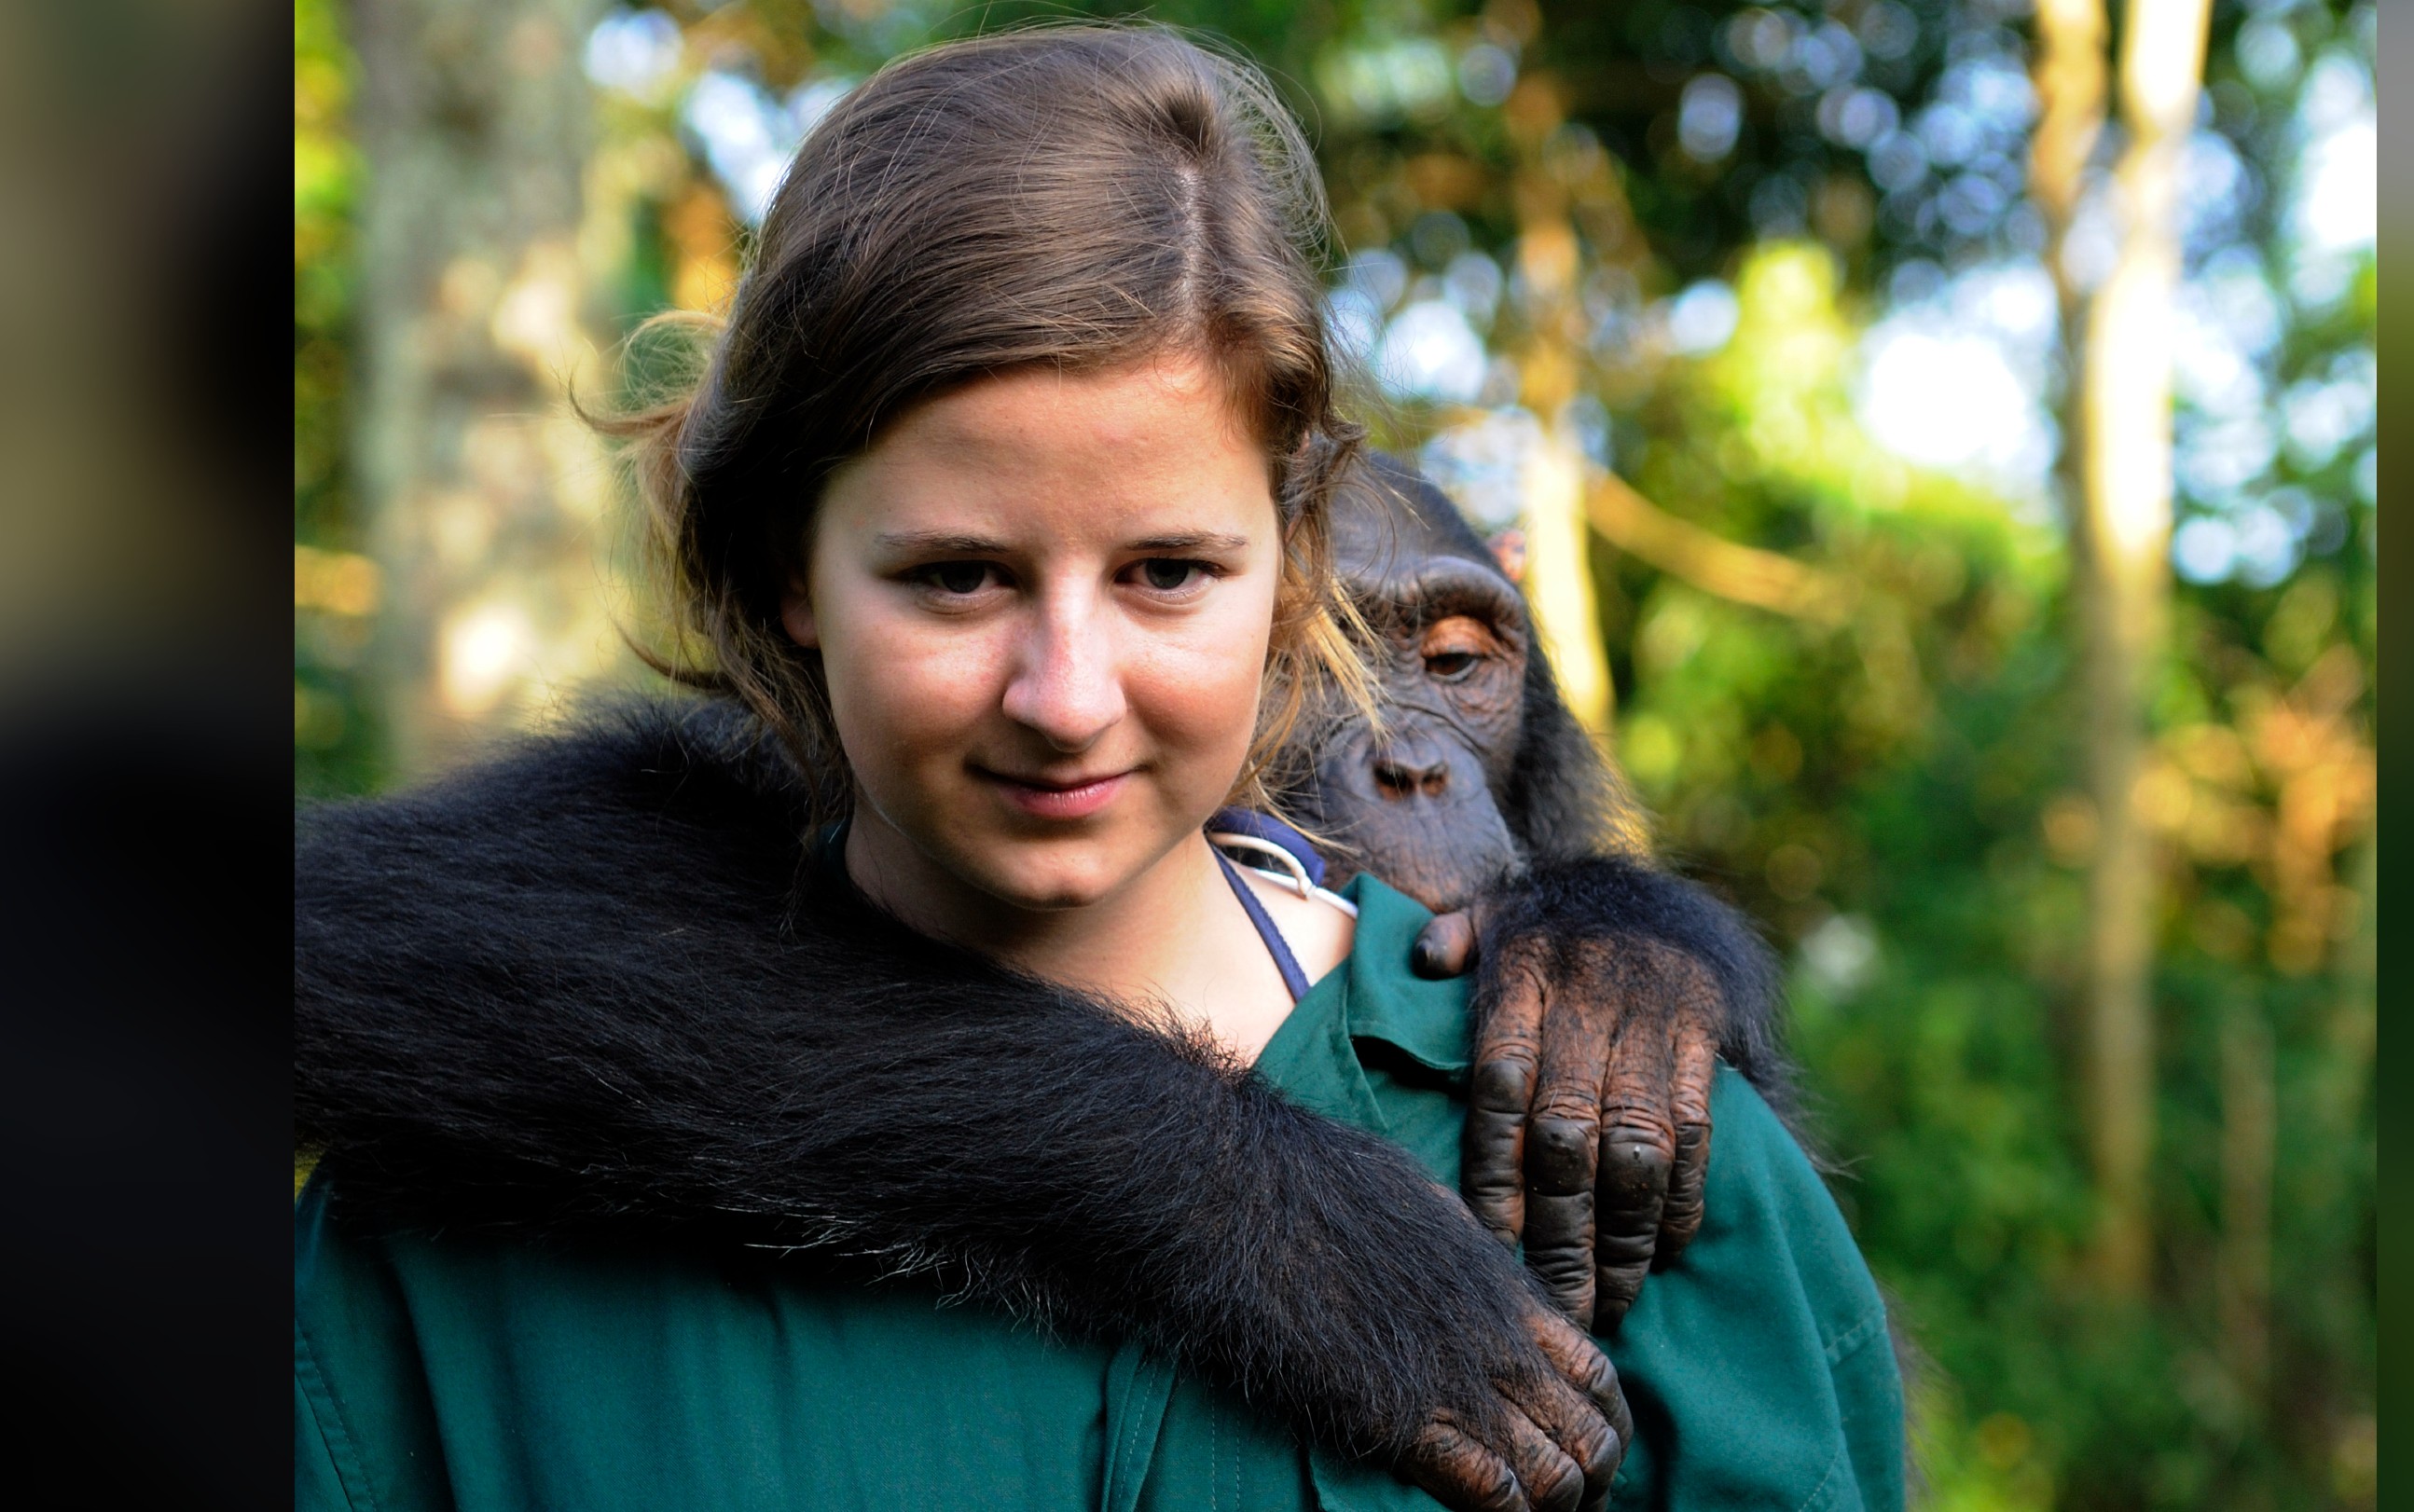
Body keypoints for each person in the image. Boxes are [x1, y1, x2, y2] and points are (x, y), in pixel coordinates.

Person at [294, 23, 1902, 1512]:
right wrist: (1208, 1183)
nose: (1066, 700)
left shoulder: (1652, 1164)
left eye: (1169, 572)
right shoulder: (472, 1213)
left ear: (1289, 564)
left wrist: (1637, 923)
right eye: (955, 576)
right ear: (792, 571)